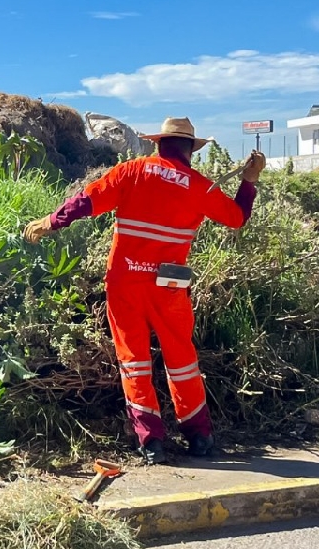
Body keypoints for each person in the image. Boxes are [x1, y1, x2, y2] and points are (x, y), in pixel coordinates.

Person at [24, 116, 265, 464]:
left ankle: (150, 441)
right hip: (169, 287)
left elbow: (87, 201)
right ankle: (199, 436)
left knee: (134, 361)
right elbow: (238, 218)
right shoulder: (199, 186)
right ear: (191, 151)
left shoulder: (131, 172)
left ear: (157, 144)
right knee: (182, 359)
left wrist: (51, 221)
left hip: (126, 283)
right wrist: (249, 182)